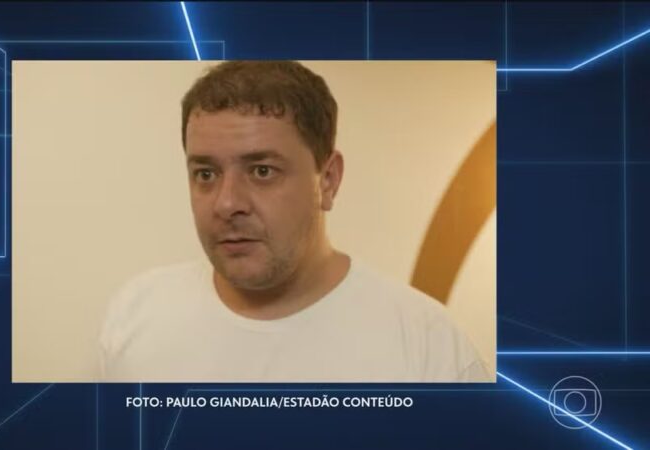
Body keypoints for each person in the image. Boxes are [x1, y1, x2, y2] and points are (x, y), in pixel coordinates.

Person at [99, 61, 491, 382]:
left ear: (328, 180)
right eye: (206, 173)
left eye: (262, 171)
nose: (227, 203)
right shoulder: (134, 317)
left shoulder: (429, 348)